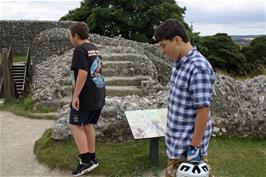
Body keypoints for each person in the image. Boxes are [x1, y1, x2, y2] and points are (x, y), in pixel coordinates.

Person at [154, 19, 215, 177]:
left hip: (188, 151)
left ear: (177, 40)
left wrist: (194, 151)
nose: (162, 50)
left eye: (163, 45)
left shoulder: (198, 67)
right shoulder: (179, 63)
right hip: (176, 146)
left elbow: (203, 110)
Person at [68, 22, 106, 176]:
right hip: (98, 92)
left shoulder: (79, 50)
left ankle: (85, 162)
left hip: (86, 95)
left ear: (76, 35)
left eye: (70, 35)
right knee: (88, 124)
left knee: (75, 125)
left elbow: (83, 73)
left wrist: (75, 96)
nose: (70, 39)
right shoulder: (94, 48)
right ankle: (92, 157)